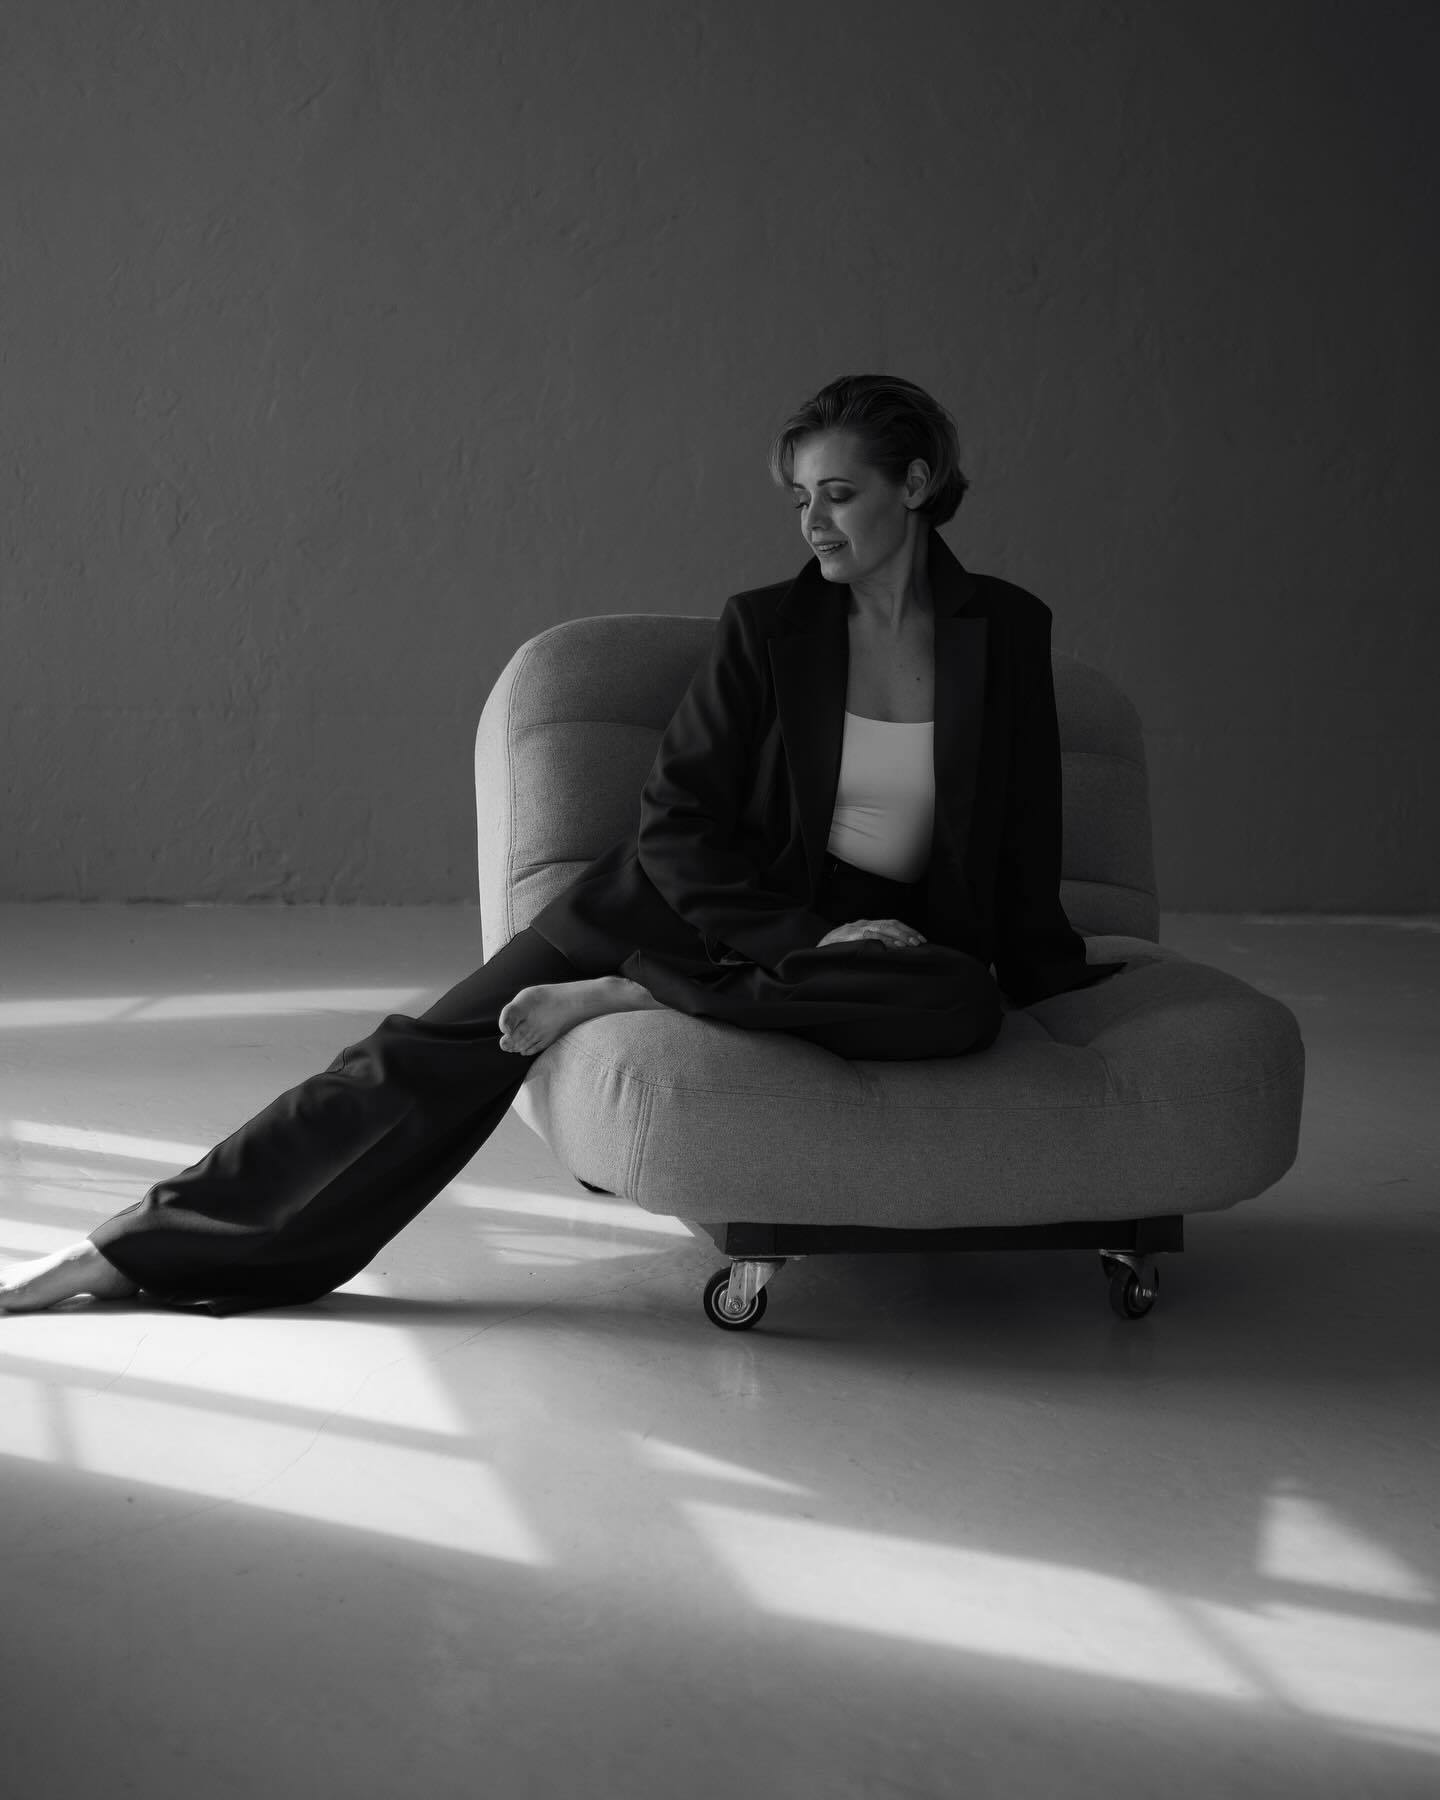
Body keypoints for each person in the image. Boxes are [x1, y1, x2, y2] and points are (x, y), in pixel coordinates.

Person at [0, 374, 1124, 1316]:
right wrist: (809, 937)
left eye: (840, 494)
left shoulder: (1005, 630)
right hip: (692, 905)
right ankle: (129, 1249)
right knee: (424, 1055)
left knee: (958, 1004)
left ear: (916, 486)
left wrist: (1044, 977)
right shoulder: (767, 627)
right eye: (800, 498)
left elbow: (1023, 822)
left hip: (873, 937)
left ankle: (638, 995)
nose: (813, 524)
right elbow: (676, 823)